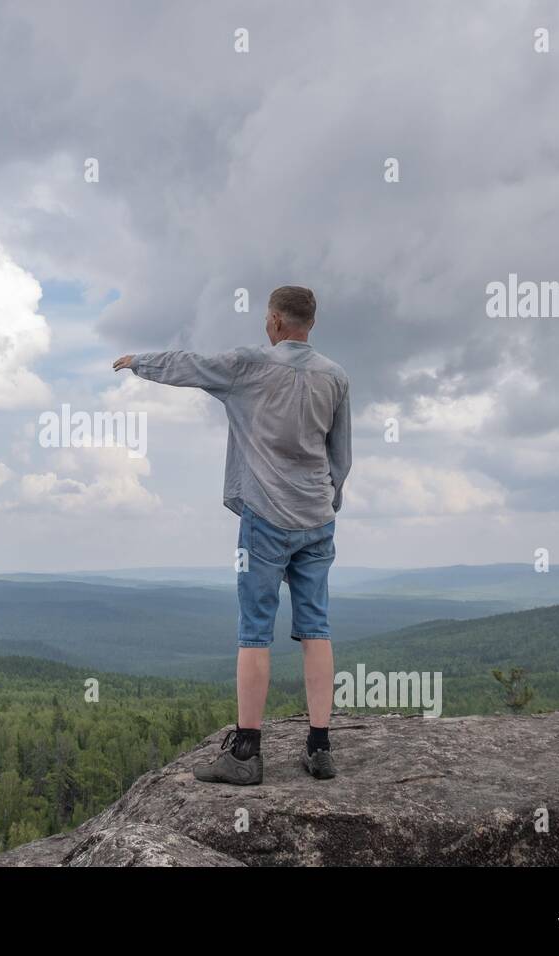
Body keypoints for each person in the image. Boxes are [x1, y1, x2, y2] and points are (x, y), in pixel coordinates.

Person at [112, 286, 351, 783]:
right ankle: (320, 747)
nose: (266, 324)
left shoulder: (251, 366)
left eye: (268, 317)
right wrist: (330, 501)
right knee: (316, 628)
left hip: (265, 517)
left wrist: (139, 362)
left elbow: (190, 365)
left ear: (279, 323)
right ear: (311, 323)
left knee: (254, 629)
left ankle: (245, 753)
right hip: (317, 519)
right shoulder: (336, 377)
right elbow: (341, 456)